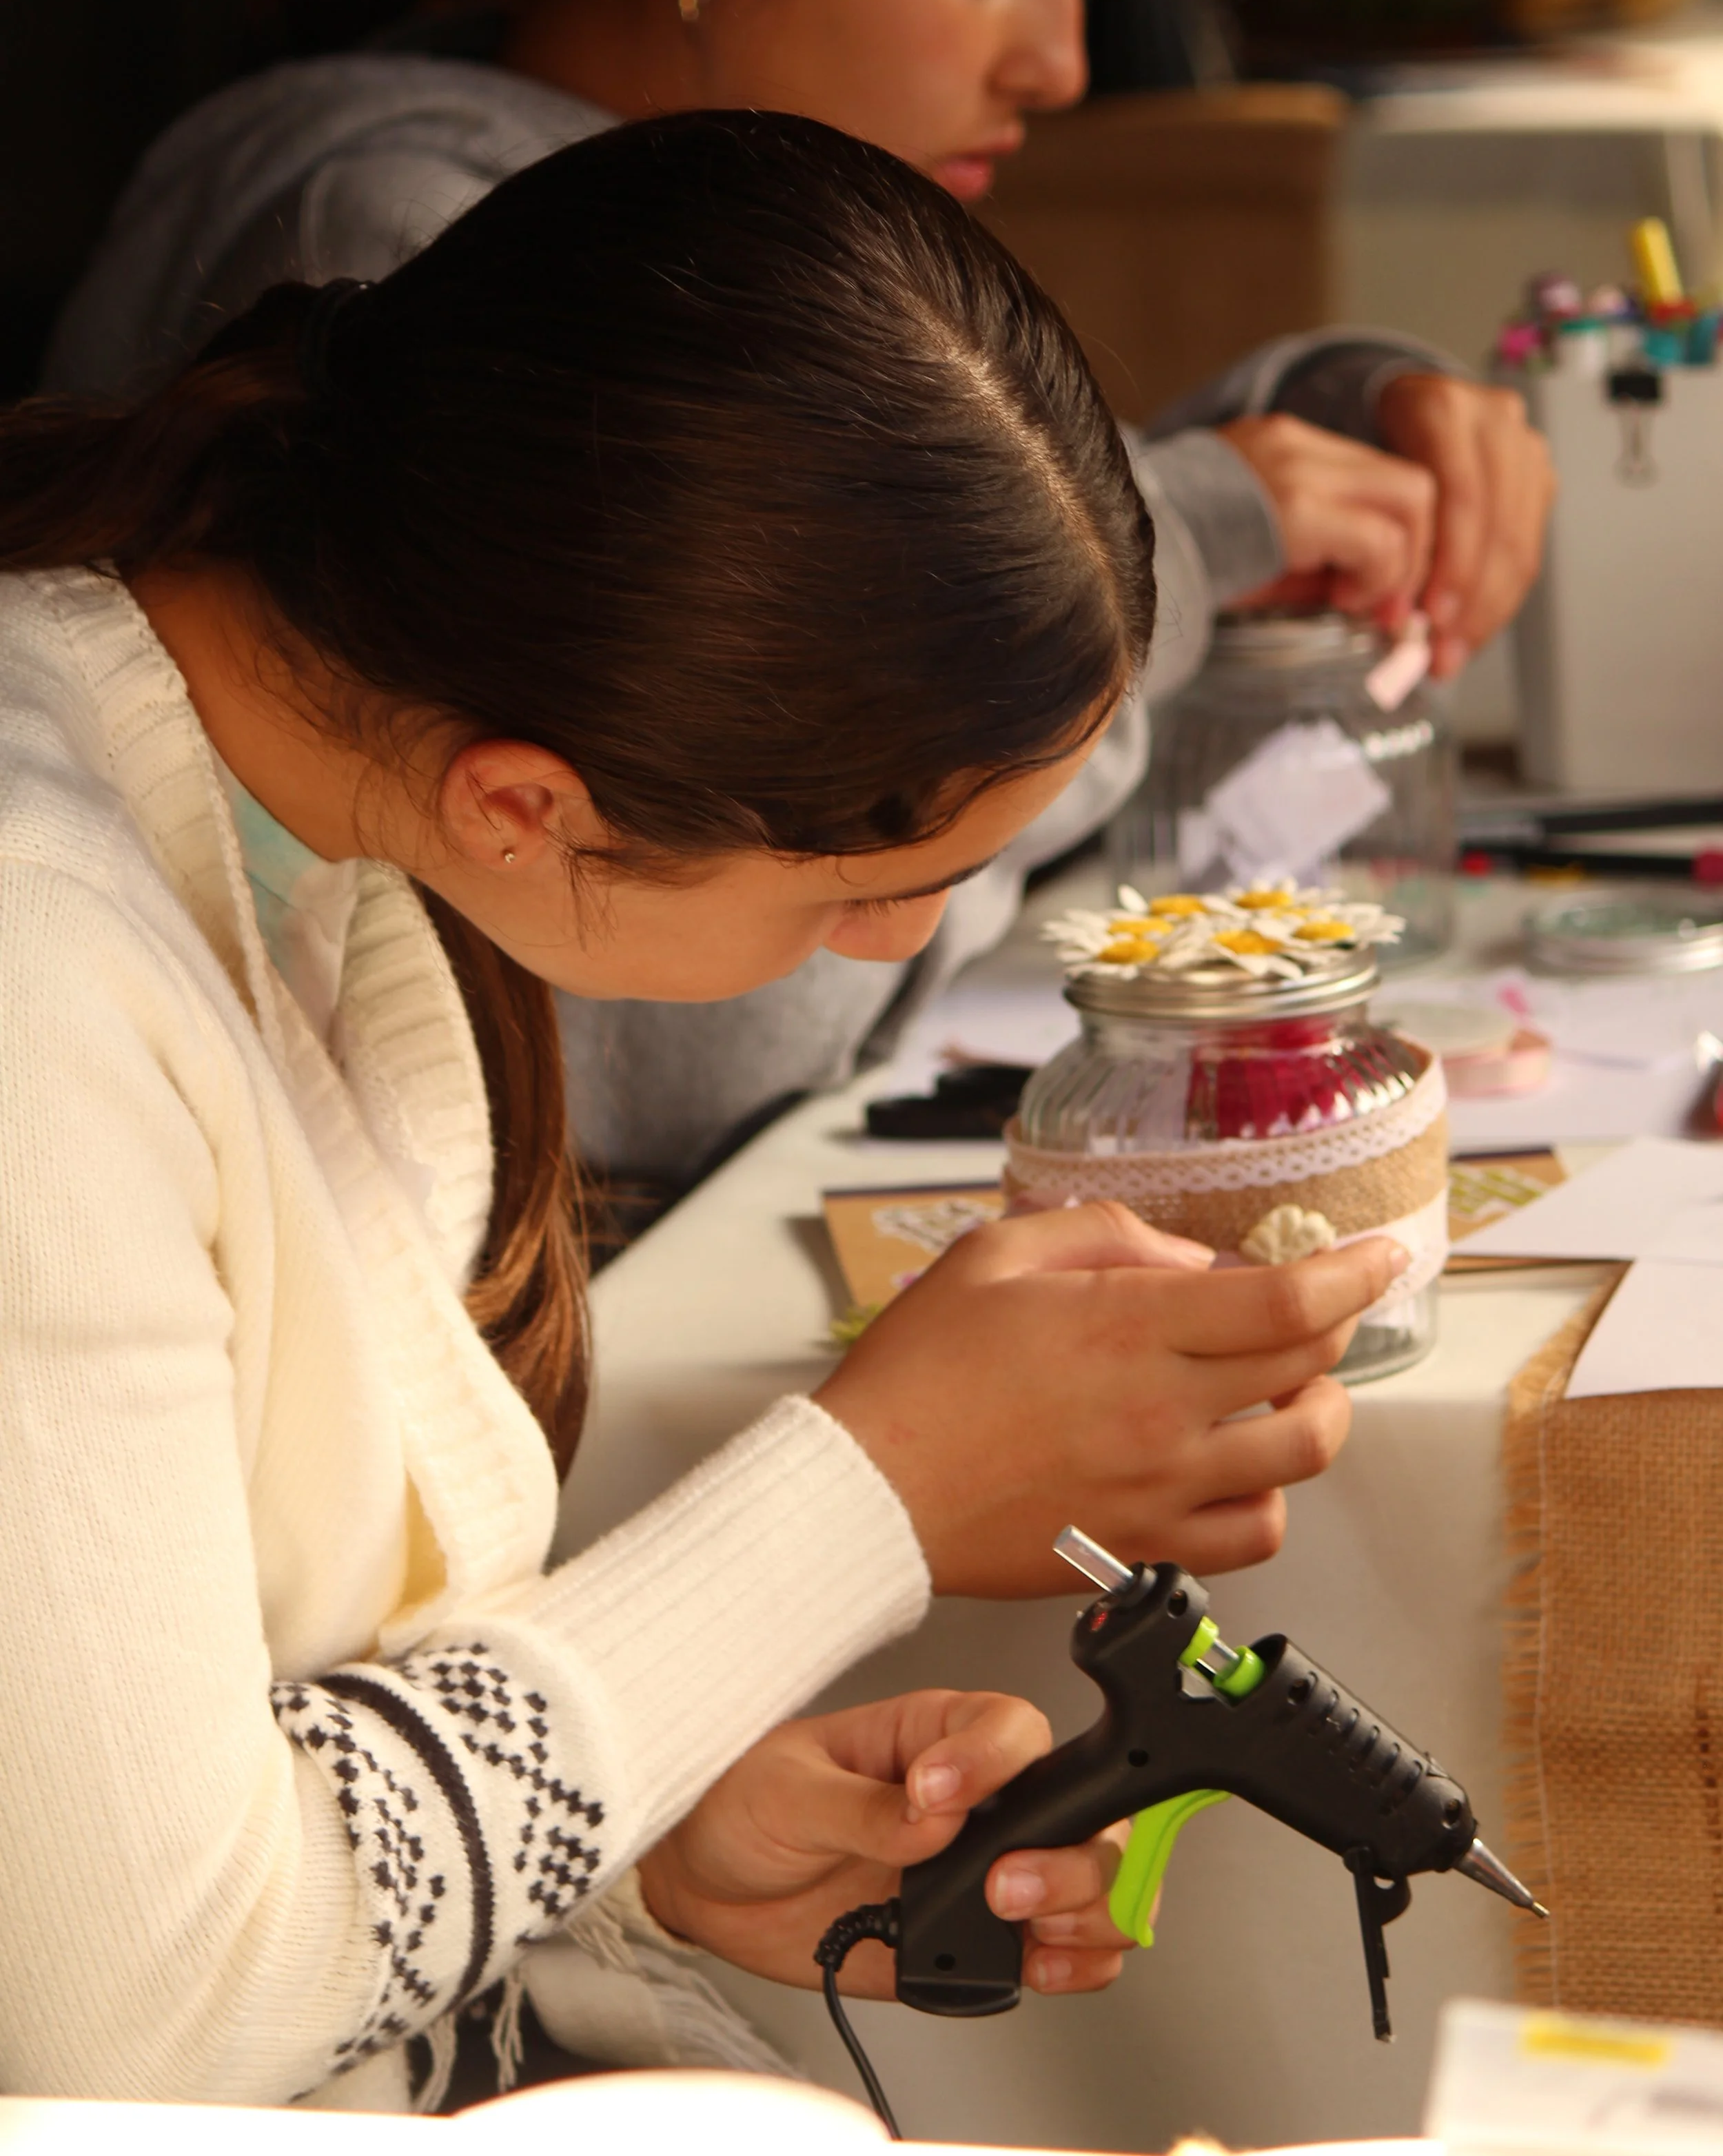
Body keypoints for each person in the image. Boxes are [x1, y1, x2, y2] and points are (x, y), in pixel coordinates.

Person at [0, 111, 1397, 2106]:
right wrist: (869, 1489)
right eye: (859, 892)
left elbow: (179, 1758)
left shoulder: (335, 837)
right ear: (528, 800)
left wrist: (644, 1849)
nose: (886, 948)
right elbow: (126, 2017)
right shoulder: (38, 964)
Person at [43, 0, 1554, 1190]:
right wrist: (1204, 531)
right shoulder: (397, 232)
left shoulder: (535, 200)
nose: (1059, 61)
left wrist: (1308, 433)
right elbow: (676, 1037)